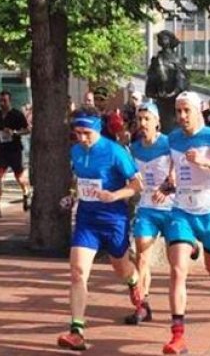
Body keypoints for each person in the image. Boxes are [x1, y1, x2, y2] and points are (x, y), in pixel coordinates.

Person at [55, 112, 144, 351]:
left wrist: (114, 195)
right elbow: (80, 181)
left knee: (121, 267)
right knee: (77, 272)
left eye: (87, 133)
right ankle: (77, 331)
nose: (82, 138)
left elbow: (137, 184)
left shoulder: (115, 151)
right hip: (87, 219)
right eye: (78, 133)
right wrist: (73, 196)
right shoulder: (75, 151)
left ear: (98, 130)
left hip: (114, 218)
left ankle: (134, 283)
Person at [162, 91, 210, 355]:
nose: (182, 116)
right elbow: (171, 164)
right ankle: (178, 336)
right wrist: (168, 181)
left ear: (197, 111)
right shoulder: (172, 138)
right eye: (178, 111)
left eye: (186, 111)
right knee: (177, 269)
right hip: (182, 208)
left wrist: (204, 161)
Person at [127, 100, 172, 326]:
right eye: (140, 119)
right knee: (142, 255)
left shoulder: (170, 144)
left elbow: (183, 169)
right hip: (147, 209)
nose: (143, 123)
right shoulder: (133, 148)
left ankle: (192, 242)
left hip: (173, 210)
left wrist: (169, 185)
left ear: (157, 122)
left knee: (177, 261)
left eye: (147, 119)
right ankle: (142, 306)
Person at [0, 90, 31, 216]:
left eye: (5, 101)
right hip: (3, 150)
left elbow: (27, 130)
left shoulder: (17, 114)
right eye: (0, 100)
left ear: (10, 101)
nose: (2, 103)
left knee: (19, 177)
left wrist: (14, 133)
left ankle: (26, 193)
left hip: (15, 149)